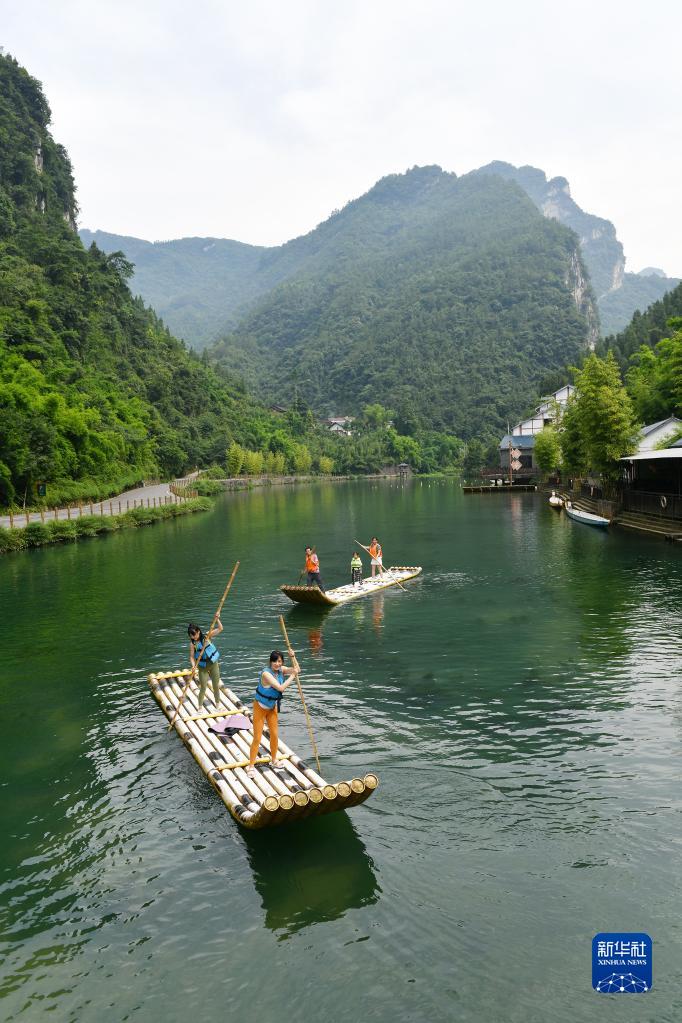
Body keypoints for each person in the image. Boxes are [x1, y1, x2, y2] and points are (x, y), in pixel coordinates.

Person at [247, 649, 299, 776]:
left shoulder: (282, 670)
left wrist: (293, 657)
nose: (277, 664)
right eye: (275, 661)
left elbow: (297, 669)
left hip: (272, 707)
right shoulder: (266, 674)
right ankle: (251, 766)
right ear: (270, 662)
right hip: (260, 707)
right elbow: (280, 688)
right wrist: (293, 676)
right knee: (257, 738)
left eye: (279, 661)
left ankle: (274, 760)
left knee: (274, 735)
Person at [188, 618, 223, 707]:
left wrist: (217, 619)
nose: (193, 637)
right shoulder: (192, 644)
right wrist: (193, 666)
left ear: (198, 631)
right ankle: (200, 708)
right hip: (202, 667)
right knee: (203, 687)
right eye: (191, 636)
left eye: (194, 635)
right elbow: (191, 657)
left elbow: (220, 629)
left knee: (216, 685)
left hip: (213, 664)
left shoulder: (207, 636)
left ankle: (218, 705)